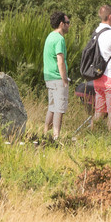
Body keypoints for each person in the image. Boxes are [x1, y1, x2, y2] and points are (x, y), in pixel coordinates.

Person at [42, 10, 72, 140]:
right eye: (68, 22)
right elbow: (60, 61)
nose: (69, 25)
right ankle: (56, 137)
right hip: (57, 77)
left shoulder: (50, 36)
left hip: (48, 77)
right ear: (61, 23)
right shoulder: (59, 39)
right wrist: (64, 79)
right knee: (59, 108)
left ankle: (44, 134)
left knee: (52, 107)